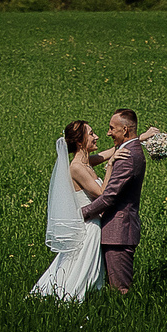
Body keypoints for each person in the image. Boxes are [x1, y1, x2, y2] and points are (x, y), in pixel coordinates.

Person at [28, 119, 106, 304]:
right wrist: (110, 169)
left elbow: (108, 154)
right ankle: (67, 297)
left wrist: (137, 140)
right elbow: (102, 193)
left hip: (94, 223)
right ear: (79, 142)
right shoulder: (77, 167)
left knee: (77, 266)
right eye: (91, 134)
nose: (96, 137)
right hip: (89, 227)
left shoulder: (86, 164)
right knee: (80, 269)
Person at [80, 107, 148, 295]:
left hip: (119, 232)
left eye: (112, 128)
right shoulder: (128, 150)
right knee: (113, 288)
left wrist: (81, 214)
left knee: (120, 290)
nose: (108, 133)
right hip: (116, 231)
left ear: (124, 130)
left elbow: (109, 196)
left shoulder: (128, 156)